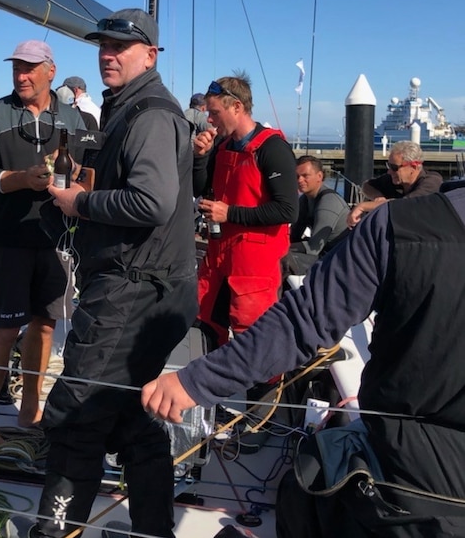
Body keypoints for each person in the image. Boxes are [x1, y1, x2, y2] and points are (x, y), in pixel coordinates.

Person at [142, 187, 465, 537]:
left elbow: (303, 321)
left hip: (409, 467)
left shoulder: (400, 225)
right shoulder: (398, 222)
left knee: (304, 485)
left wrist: (195, 382)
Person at [30, 9, 198, 538]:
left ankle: (52, 532)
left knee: (76, 415)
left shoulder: (148, 112)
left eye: (121, 47)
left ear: (150, 55)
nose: (108, 53)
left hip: (131, 289)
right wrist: (88, 187)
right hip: (155, 288)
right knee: (132, 419)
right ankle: (153, 531)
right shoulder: (132, 108)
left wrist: (82, 203)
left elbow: (152, 201)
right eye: (103, 44)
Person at [0, 40, 86, 448]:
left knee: (45, 326)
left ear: (50, 71)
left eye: (30, 68)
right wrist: (23, 178)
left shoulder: (75, 119)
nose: (21, 75)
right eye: (17, 67)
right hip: (8, 240)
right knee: (2, 330)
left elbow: (87, 169)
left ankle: (29, 410)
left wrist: (83, 188)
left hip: (57, 240)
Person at [193, 74, 298, 347]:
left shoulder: (272, 148)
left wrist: (230, 214)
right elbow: (201, 188)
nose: (210, 120)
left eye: (215, 113)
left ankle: (265, 390)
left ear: (236, 108)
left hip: (256, 266)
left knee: (255, 341)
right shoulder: (223, 147)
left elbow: (287, 210)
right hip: (219, 257)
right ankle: (208, 384)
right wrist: (200, 159)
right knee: (204, 323)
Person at [347, 140, 442, 228]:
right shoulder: (394, 180)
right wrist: (378, 197)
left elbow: (407, 204)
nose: (389, 171)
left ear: (413, 167)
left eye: (394, 167)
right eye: (389, 166)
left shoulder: (432, 181)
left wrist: (363, 206)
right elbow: (367, 186)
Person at [283, 155, 350, 276]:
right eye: (297, 176)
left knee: (282, 260)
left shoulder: (329, 202)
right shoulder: (305, 199)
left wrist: (281, 249)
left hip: (338, 259)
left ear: (319, 176)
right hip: (322, 253)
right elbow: (295, 234)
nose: (299, 180)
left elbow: (313, 247)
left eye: (305, 176)